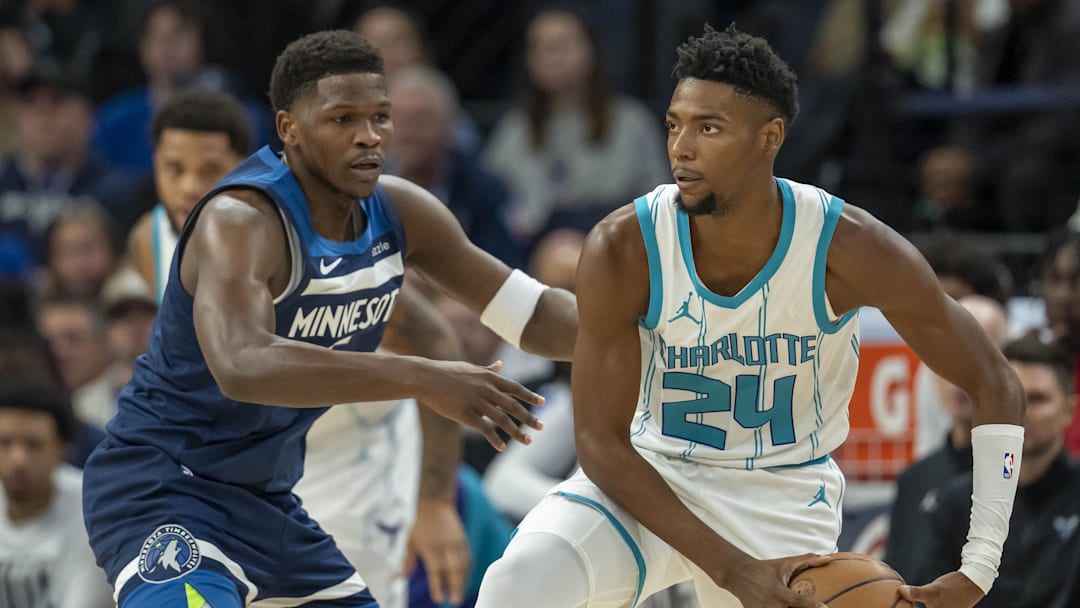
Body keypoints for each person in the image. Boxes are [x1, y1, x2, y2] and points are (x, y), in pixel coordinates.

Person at [476, 24, 1024, 608]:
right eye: (674, 124)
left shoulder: (849, 247)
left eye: (708, 128)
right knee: (520, 580)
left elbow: (994, 383)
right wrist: (733, 570)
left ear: (770, 137)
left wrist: (980, 565)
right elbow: (600, 444)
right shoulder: (624, 245)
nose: (681, 148)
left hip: (783, 496)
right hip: (652, 476)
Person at [81, 29, 576, 608]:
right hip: (162, 484)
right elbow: (243, 364)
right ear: (289, 128)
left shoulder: (402, 211)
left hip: (265, 499)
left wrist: (653, 326)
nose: (369, 137)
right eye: (343, 119)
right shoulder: (241, 220)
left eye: (380, 117)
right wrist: (425, 377)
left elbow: (534, 312)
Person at [918, 335, 1080, 607]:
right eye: (1011, 397)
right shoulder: (951, 502)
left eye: (1038, 399)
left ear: (1069, 410)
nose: (1023, 411)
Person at [885, 295, 1009, 581]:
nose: (959, 374)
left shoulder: (1020, 474)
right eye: (946, 359)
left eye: (978, 358)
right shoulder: (914, 479)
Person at [126, 89, 251, 302]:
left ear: (244, 168)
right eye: (175, 169)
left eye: (209, 171)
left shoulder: (274, 238)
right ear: (156, 163)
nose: (189, 188)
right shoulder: (147, 236)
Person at [0, 380, 113, 608]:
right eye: (5, 443)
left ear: (63, 450)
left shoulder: (93, 510)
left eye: (33, 445)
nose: (18, 459)